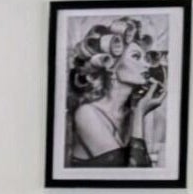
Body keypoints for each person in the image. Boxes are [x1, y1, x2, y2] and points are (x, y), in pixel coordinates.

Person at [66, 17, 166, 168]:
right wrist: (139, 113)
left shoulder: (129, 110)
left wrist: (137, 111)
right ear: (111, 66)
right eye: (136, 57)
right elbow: (133, 179)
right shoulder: (86, 113)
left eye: (145, 58)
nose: (146, 64)